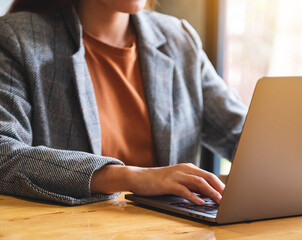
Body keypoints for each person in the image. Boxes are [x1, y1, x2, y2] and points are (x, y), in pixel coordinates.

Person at [0, 0, 247, 206]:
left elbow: (243, 135)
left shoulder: (179, 39)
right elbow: (4, 153)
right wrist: (130, 177)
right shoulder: (18, 38)